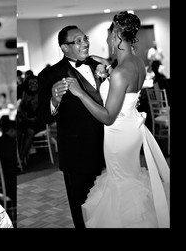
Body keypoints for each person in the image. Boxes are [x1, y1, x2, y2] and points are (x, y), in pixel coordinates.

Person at [64, 12, 169, 227]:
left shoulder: (121, 72)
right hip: (131, 130)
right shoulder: (138, 63)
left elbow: (108, 117)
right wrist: (110, 69)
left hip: (118, 134)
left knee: (121, 183)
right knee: (130, 178)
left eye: (109, 33)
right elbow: (127, 89)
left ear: (118, 35)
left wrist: (79, 92)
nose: (106, 38)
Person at [37, 25, 108, 228]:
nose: (85, 43)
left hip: (109, 148)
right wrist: (54, 100)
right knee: (82, 209)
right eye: (77, 41)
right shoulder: (49, 75)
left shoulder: (99, 65)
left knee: (110, 205)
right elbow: (41, 117)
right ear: (64, 48)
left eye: (85, 38)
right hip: (78, 155)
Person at [16, 75, 44, 167]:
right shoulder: (25, 94)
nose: (33, 85)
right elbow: (21, 109)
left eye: (36, 83)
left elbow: (41, 114)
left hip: (39, 121)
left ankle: (21, 158)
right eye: (31, 83)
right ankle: (16, 158)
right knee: (18, 131)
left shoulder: (42, 94)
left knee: (29, 131)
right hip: (27, 121)